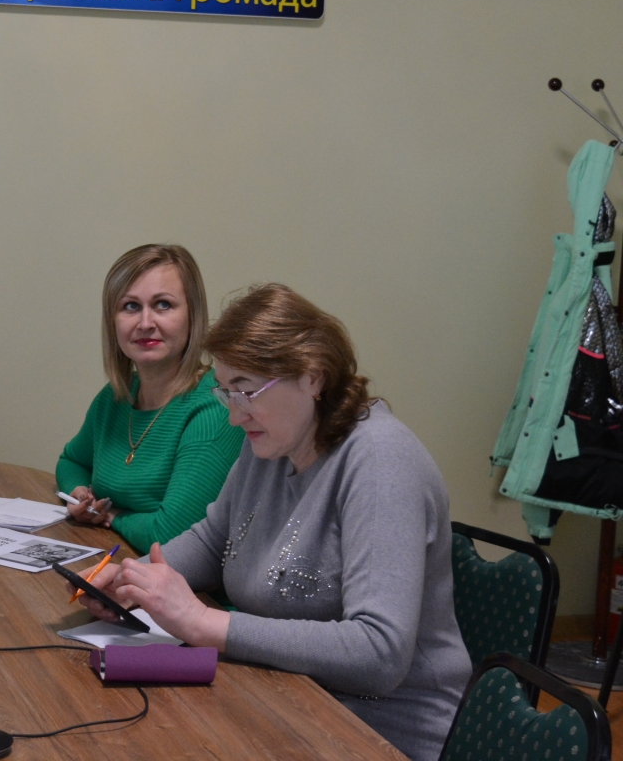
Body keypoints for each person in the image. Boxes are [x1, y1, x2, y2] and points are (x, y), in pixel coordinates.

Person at [73, 283, 470, 761]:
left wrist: (203, 621)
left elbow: (379, 652)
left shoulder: (382, 462)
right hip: (286, 697)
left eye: (246, 391)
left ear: (313, 377)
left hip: (381, 731)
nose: (234, 416)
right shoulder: (273, 441)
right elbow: (215, 539)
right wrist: (131, 582)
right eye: (227, 392)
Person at [55, 245, 243, 552]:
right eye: (130, 306)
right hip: (118, 559)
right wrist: (79, 495)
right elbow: (72, 461)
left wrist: (111, 516)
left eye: (163, 305)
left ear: (193, 316)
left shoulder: (214, 408)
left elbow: (171, 536)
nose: (145, 323)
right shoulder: (116, 397)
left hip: (183, 578)